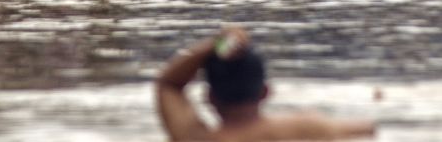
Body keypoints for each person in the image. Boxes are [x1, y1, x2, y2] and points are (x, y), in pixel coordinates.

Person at [156, 27, 375, 142]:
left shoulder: (196, 139)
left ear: (209, 97)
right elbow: (371, 128)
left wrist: (218, 43)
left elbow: (168, 84)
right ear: (266, 92)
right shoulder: (306, 128)